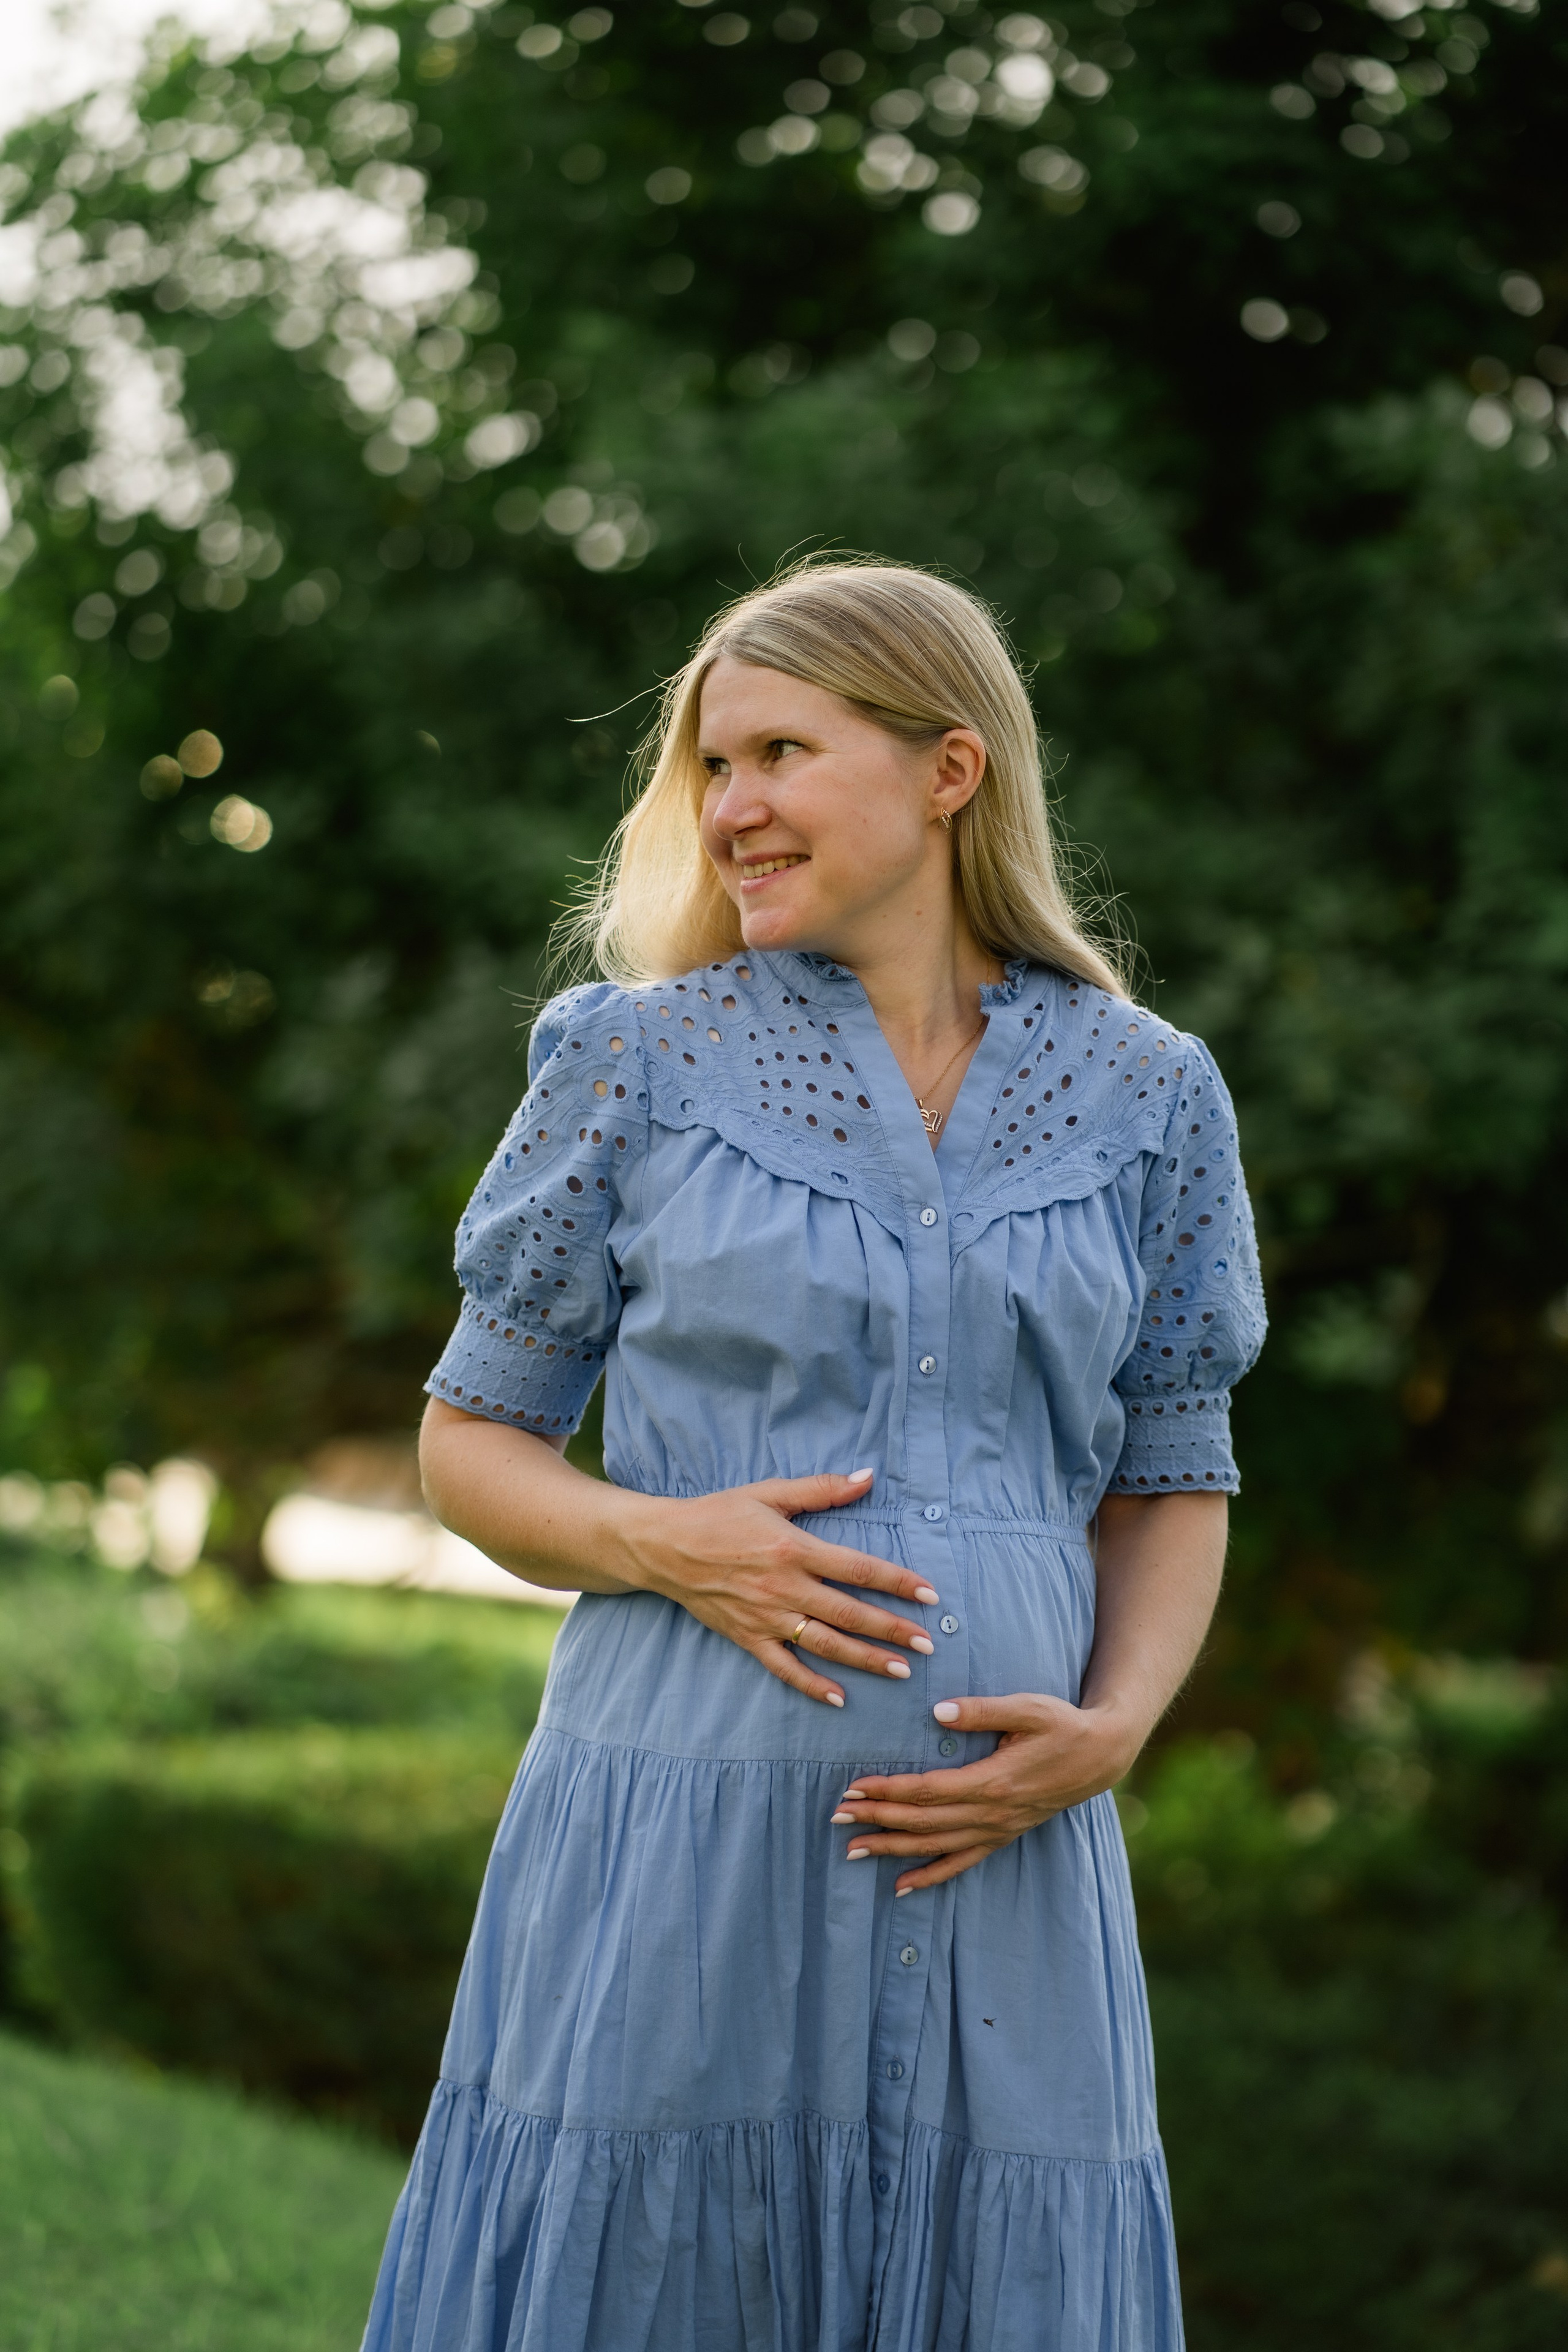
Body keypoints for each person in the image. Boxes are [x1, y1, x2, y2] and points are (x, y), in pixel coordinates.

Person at [362, 557, 1265, 2352]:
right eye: (712, 767)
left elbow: (1173, 1464)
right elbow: (471, 1444)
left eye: (781, 751)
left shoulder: (1153, 1090)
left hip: (1004, 1862)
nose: (733, 808)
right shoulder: (630, 1061)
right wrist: (665, 1543)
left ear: (950, 772)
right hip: (672, 1838)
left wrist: (1117, 1725)